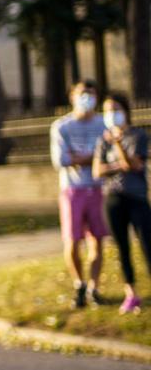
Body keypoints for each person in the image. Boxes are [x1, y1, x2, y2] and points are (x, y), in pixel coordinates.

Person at [50, 80, 109, 308]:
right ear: (72, 96)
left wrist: (79, 158)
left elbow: (107, 158)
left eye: (91, 94)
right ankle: (79, 285)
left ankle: (94, 287)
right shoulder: (62, 126)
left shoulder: (104, 124)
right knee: (72, 241)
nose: (86, 98)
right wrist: (93, 158)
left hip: (98, 189)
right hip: (73, 191)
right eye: (82, 93)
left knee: (97, 241)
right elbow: (62, 160)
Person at [93, 94, 149, 314]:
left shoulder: (138, 135)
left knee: (147, 243)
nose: (111, 114)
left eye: (115, 109)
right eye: (107, 110)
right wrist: (119, 163)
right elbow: (97, 171)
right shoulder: (101, 140)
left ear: (125, 111)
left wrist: (117, 146)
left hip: (137, 198)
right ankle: (131, 293)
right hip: (113, 198)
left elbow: (133, 165)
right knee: (122, 248)